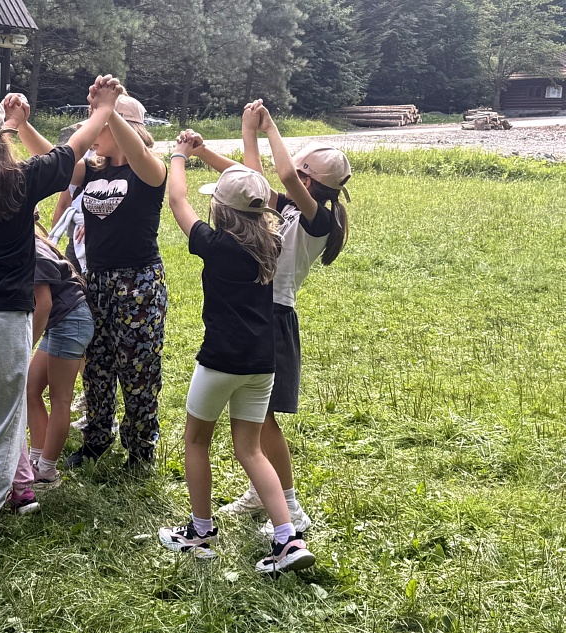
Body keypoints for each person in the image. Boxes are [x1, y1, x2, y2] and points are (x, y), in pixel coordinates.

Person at [0, 79, 119, 545]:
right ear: (0, 136)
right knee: (2, 417)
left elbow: (52, 152)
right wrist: (104, 107)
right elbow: (72, 149)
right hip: (0, 314)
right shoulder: (22, 178)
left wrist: (8, 123)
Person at [156, 139, 315, 575]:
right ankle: (288, 538)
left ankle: (200, 532)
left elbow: (177, 200)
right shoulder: (273, 242)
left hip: (219, 361)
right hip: (262, 364)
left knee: (196, 442)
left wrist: (178, 155)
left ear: (221, 210)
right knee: (250, 449)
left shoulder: (214, 243)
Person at [199, 101, 351, 536]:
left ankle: (292, 509)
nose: (291, 176)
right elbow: (251, 181)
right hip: (260, 312)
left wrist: (269, 127)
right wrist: (216, 146)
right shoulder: (291, 207)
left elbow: (281, 175)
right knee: (253, 418)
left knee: (263, 418)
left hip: (274, 317)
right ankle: (260, 493)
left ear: (308, 181)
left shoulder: (319, 220)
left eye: (300, 173)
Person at [46, 95, 169, 474]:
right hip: (96, 280)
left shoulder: (149, 170)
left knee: (138, 371)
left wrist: (109, 109)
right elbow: (54, 160)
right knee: (97, 366)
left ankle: (140, 451)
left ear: (123, 127)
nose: (90, 131)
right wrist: (21, 124)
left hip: (139, 283)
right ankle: (97, 439)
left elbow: (139, 154)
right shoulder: (91, 170)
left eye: (97, 124)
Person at [27, 228, 93, 490]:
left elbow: (44, 304)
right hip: (59, 322)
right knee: (30, 388)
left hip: (70, 321)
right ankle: (36, 459)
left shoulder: (30, 250)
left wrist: (24, 347)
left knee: (60, 399)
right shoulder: (26, 244)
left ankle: (47, 471)